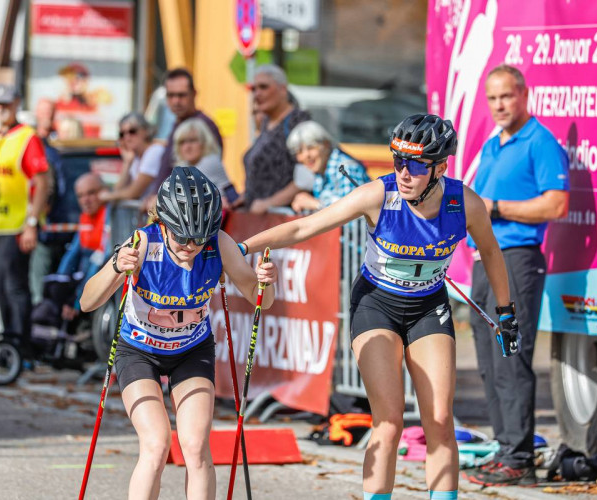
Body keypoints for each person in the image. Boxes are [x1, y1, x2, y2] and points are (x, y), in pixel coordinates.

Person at [241, 114, 521, 500]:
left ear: (440, 167)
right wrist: (242, 247)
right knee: (387, 421)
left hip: (428, 307)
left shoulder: (463, 202)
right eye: (398, 161)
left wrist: (505, 312)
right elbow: (305, 227)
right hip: (377, 305)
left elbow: (490, 250)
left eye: (417, 165)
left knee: (439, 420)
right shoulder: (379, 194)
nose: (404, 173)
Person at [80, 167, 277, 499]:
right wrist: (116, 266)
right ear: (165, 223)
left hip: (191, 351)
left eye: (199, 238)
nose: (191, 246)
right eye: (182, 237)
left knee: (196, 446)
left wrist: (266, 282)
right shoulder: (144, 242)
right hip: (139, 351)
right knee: (156, 444)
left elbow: (262, 302)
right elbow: (87, 302)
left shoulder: (218, 244)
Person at [464, 64, 569, 487]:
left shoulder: (539, 142)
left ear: (524, 94)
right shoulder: (494, 144)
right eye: (492, 98)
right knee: (489, 361)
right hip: (484, 261)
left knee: (510, 354)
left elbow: (555, 204)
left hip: (517, 259)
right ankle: (505, 448)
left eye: (506, 96)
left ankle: (519, 458)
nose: (499, 105)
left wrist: (498, 208)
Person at [0, 84, 50, 343]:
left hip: (17, 226)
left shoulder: (26, 137)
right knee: (0, 289)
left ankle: (21, 345)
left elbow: (42, 182)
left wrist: (31, 223)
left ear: (17, 103)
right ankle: (9, 342)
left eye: (5, 104)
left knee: (15, 288)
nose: (0, 109)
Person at [145, 68, 224, 212]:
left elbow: (200, 180)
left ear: (194, 94)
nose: (176, 101)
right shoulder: (178, 125)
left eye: (181, 95)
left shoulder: (204, 126)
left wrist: (163, 199)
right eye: (171, 95)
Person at [239, 64, 311, 214]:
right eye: (254, 89)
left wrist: (268, 203)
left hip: (282, 219)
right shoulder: (267, 123)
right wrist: (244, 197)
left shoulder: (297, 122)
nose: (257, 94)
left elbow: (306, 178)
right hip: (257, 217)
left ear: (282, 89)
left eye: (263, 87)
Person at [30, 98, 71, 305]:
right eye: (44, 112)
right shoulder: (34, 145)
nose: (48, 117)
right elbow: (44, 189)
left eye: (51, 112)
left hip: (58, 229)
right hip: (40, 231)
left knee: (50, 286)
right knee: (38, 287)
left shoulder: (52, 150)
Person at [55, 173, 109, 322]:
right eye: (80, 196)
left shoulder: (110, 215)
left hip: (98, 277)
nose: (85, 200)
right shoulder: (85, 217)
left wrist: (78, 298)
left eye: (91, 193)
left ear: (104, 192)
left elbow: (101, 259)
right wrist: (60, 285)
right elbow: (72, 254)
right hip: (84, 276)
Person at [286, 120, 371, 212]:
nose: (306, 155)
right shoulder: (320, 171)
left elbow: (355, 209)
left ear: (326, 145)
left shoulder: (345, 167)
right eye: (299, 152)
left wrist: (315, 204)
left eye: (311, 148)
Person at [171, 117, 237, 207]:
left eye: (192, 140)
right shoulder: (185, 165)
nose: (187, 147)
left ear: (204, 142)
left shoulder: (210, 161)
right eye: (182, 142)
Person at [100, 112, 163, 203]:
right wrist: (127, 162)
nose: (127, 137)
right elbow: (119, 189)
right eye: (122, 134)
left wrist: (108, 196)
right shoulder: (135, 157)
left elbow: (134, 192)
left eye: (132, 132)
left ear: (145, 131)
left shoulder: (154, 151)